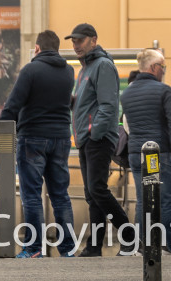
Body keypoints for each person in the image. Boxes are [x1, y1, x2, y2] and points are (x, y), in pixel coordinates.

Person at [0, 30, 76, 258]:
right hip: (61, 139)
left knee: (32, 195)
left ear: (37, 48)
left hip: (33, 139)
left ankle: (34, 248)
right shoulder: (68, 71)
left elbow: (12, 105)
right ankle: (68, 250)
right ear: (57, 49)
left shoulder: (31, 70)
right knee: (60, 195)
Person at [67, 23, 134, 256]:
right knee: (92, 193)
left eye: (80, 40)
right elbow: (87, 104)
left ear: (93, 40)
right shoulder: (85, 68)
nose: (76, 45)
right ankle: (94, 246)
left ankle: (130, 237)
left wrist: (95, 132)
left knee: (97, 189)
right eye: (73, 41)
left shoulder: (102, 65)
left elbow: (108, 106)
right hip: (86, 138)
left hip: (98, 138)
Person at [120, 49, 171, 255]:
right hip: (159, 153)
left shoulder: (127, 93)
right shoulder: (164, 90)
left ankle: (143, 246)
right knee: (166, 200)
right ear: (154, 68)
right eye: (162, 67)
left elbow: (127, 125)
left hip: (136, 153)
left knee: (142, 201)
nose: (163, 71)